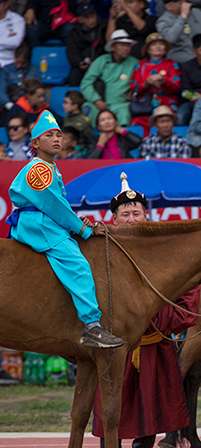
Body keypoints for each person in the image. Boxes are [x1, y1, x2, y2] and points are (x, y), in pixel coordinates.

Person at [91, 176, 198, 448]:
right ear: (113, 219)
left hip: (153, 342)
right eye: (125, 214)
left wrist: (162, 319)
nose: (131, 218)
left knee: (150, 405)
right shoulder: (100, 251)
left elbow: (187, 293)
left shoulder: (163, 251)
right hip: (114, 345)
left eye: (136, 213)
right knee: (112, 405)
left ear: (146, 217)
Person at [6, 111, 124, 349]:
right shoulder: (40, 168)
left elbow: (58, 207)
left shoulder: (49, 166)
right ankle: (92, 326)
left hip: (40, 219)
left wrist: (76, 222)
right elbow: (55, 207)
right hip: (39, 223)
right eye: (49, 135)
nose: (57, 139)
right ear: (36, 143)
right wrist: (84, 229)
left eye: (59, 135)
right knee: (77, 264)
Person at [81, 29, 138, 127]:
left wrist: (134, 90)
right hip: (98, 103)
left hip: (121, 104)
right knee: (89, 121)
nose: (126, 48)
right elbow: (86, 83)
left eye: (128, 45)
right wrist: (96, 100)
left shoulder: (134, 63)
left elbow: (140, 81)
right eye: (122, 45)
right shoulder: (101, 61)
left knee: (124, 118)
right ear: (113, 47)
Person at [129, 32, 181, 122]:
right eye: (154, 44)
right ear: (148, 49)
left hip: (167, 102)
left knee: (167, 120)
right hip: (145, 104)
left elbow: (177, 85)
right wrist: (147, 82)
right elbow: (133, 86)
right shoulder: (141, 65)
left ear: (165, 48)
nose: (158, 46)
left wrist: (163, 79)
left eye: (161, 44)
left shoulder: (171, 63)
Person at [156, 0, 201, 65]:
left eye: (184, 1)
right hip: (181, 53)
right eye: (180, 3)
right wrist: (182, 17)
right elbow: (170, 39)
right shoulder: (163, 21)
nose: (184, 4)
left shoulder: (196, 12)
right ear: (168, 6)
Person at [66, 3, 107, 87]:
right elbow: (71, 51)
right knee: (73, 78)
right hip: (82, 65)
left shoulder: (103, 27)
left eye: (93, 16)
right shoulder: (74, 32)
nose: (91, 20)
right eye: (87, 17)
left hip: (100, 65)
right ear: (80, 19)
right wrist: (80, 62)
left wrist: (96, 63)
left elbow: (105, 49)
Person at [0, 42, 40, 116]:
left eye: (23, 63)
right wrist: (10, 105)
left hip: (29, 108)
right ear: (14, 56)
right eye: (17, 62)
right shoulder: (6, 70)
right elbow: (1, 90)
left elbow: (37, 92)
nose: (19, 66)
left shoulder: (34, 71)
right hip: (9, 106)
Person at [0, 0, 25, 69]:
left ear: (6, 4)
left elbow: (16, 42)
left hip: (10, 63)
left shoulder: (17, 20)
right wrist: (7, 40)